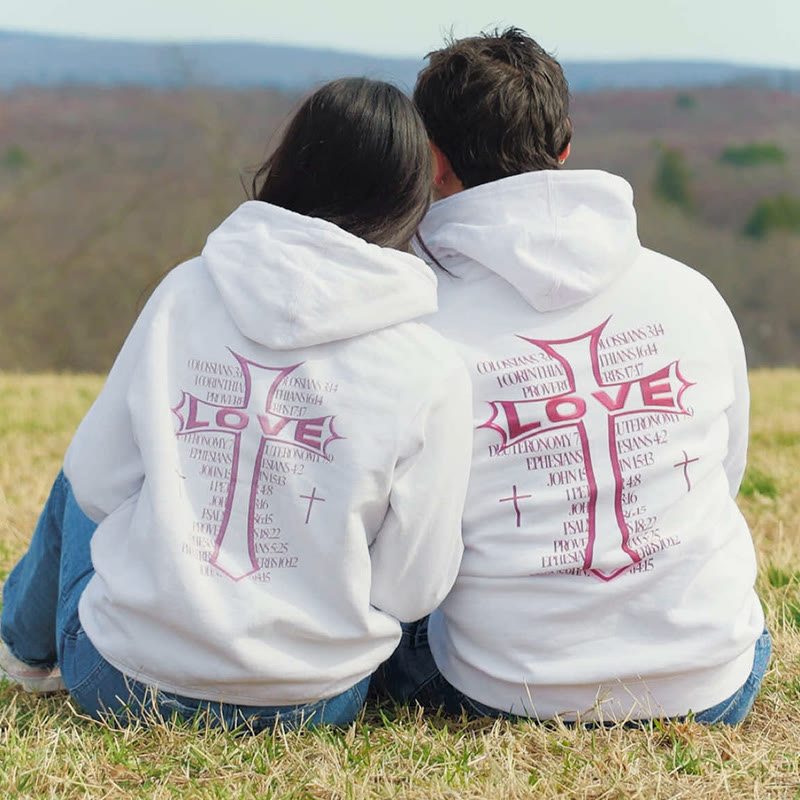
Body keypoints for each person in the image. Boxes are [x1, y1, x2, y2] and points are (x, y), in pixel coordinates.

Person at [0, 78, 473, 731]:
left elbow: (99, 484)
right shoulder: (430, 363)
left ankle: (21, 652)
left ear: (293, 162)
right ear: (409, 196)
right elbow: (413, 586)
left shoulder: (186, 291)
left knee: (80, 468)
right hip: (311, 701)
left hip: (121, 681)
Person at [375, 29, 768, 725]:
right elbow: (724, 472)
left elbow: (402, 552)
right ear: (564, 147)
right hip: (711, 681)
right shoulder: (689, 292)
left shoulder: (410, 321)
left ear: (431, 162)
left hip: (506, 691)